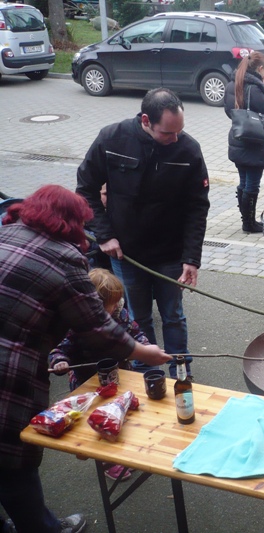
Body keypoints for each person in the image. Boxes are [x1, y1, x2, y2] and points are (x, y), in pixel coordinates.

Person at [0, 185, 170, 533]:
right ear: (69, 221)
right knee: (12, 460)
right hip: (9, 372)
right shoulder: (64, 257)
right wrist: (143, 352)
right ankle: (41, 528)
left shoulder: (6, 233)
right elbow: (96, 327)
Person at [76, 88, 210, 379]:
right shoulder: (111, 139)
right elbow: (85, 189)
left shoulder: (188, 150)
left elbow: (198, 207)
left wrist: (191, 258)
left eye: (180, 130)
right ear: (146, 120)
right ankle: (147, 376)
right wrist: (104, 235)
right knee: (139, 318)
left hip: (171, 254)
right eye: (168, 132)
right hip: (126, 254)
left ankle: (181, 374)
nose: (176, 138)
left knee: (173, 316)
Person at [49, 268, 153, 482]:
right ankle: (107, 460)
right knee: (98, 421)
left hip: (121, 375)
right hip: (88, 383)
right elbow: (58, 348)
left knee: (124, 414)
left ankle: (125, 448)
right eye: (110, 304)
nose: (115, 307)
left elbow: (135, 332)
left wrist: (144, 345)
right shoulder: (75, 323)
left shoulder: (119, 313)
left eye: (116, 302)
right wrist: (60, 361)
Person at [224, 51, 264, 233]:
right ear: (260, 68)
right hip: (254, 142)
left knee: (243, 181)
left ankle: (246, 220)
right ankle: (249, 223)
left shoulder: (232, 84)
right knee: (252, 184)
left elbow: (228, 110)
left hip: (238, 138)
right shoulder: (255, 88)